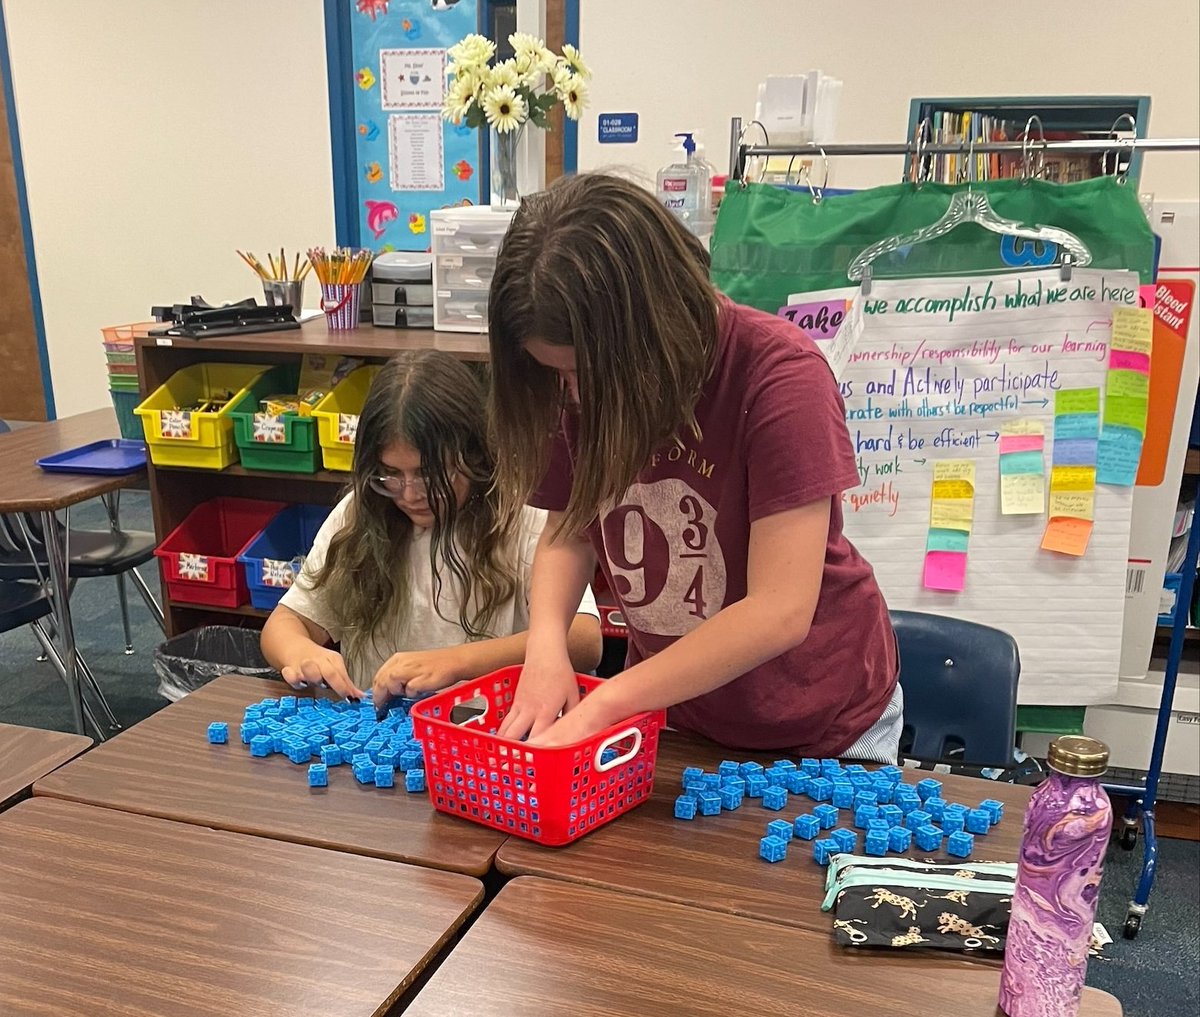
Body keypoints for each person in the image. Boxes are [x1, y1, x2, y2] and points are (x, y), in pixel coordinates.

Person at [486, 172, 900, 761]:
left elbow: (778, 611)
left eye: (582, 376)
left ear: (650, 331)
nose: (571, 397)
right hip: (676, 710)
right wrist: (546, 644)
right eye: (558, 376)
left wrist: (607, 702)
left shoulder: (781, 376)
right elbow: (568, 526)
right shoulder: (572, 375)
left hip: (825, 723)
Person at [260, 351, 603, 709]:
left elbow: (584, 640)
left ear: (473, 454)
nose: (409, 494)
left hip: (489, 735)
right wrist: (301, 651)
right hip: (379, 731)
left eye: (429, 475)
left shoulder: (523, 514)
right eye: (390, 474)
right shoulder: (360, 515)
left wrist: (456, 663)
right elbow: (285, 623)